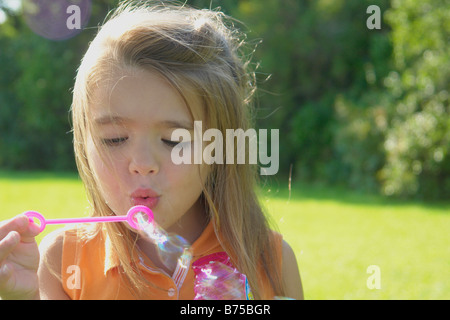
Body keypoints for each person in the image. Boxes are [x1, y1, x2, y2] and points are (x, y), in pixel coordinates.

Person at [0, 0, 303, 300]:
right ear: (84, 141)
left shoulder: (269, 260)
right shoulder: (60, 261)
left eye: (173, 140)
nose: (142, 164)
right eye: (115, 138)